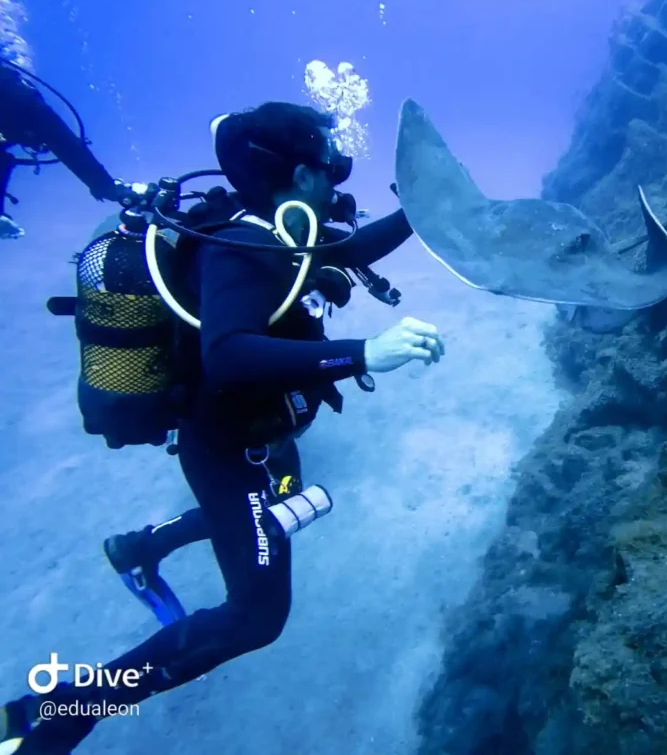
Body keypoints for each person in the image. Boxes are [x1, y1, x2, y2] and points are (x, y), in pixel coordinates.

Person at [0, 101, 445, 753]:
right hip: (227, 448)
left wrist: (431, 210)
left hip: (255, 436)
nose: (340, 177)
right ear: (298, 175)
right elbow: (230, 355)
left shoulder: (276, 226)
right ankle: (55, 717)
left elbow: (351, 247)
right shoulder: (244, 246)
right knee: (255, 615)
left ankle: (140, 550)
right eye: (330, 166)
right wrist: (364, 354)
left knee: (278, 499)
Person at [0, 56, 125, 239]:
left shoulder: (18, 110)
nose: (39, 147)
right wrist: (105, 187)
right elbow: (68, 147)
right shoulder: (27, 106)